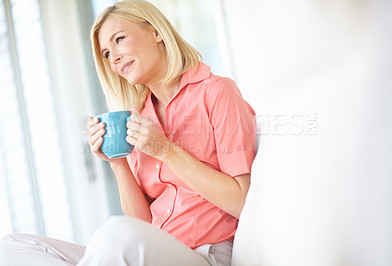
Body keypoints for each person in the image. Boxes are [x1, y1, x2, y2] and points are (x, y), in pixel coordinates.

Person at [0, 0, 256, 265]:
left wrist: (166, 150)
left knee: (116, 233)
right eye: (107, 54)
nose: (115, 58)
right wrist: (118, 163)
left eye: (119, 39)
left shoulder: (216, 92)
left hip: (203, 252)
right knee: (12, 247)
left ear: (156, 31)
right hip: (150, 248)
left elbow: (241, 201)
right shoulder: (139, 117)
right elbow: (141, 225)